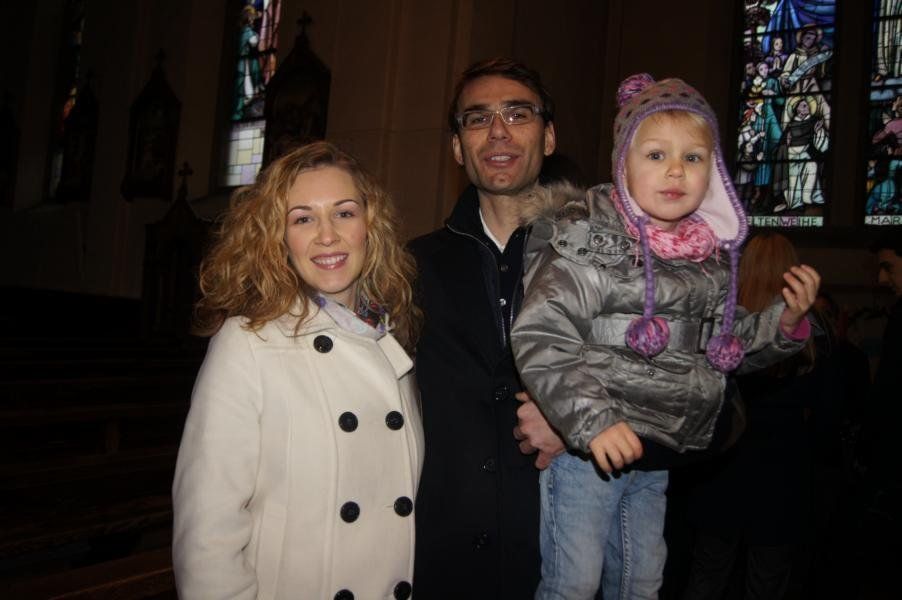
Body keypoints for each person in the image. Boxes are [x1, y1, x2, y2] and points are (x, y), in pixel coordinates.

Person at [511, 74, 821, 600]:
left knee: (642, 581)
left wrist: (783, 324)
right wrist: (594, 420)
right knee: (574, 583)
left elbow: (725, 346)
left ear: (713, 173)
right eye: (656, 155)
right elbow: (542, 335)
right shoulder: (591, 243)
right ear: (622, 166)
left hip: (658, 450)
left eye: (693, 157)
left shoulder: (708, 260)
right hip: (590, 448)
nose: (676, 170)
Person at [172, 141, 424, 599]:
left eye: (344, 213)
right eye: (303, 219)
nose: (327, 235)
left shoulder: (389, 337)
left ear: (370, 225)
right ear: (278, 237)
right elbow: (208, 533)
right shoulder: (248, 344)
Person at [409, 57, 564, 599]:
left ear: (548, 137)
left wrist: (583, 425)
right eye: (477, 118)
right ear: (458, 146)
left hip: (563, 559)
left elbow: (703, 413)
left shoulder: (606, 261)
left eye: (517, 114)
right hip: (443, 563)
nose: (498, 131)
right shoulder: (406, 269)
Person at [680, 232, 840, 600]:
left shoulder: (724, 324)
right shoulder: (811, 329)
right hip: (783, 474)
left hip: (722, 466)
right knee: (766, 579)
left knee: (707, 573)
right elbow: (827, 412)